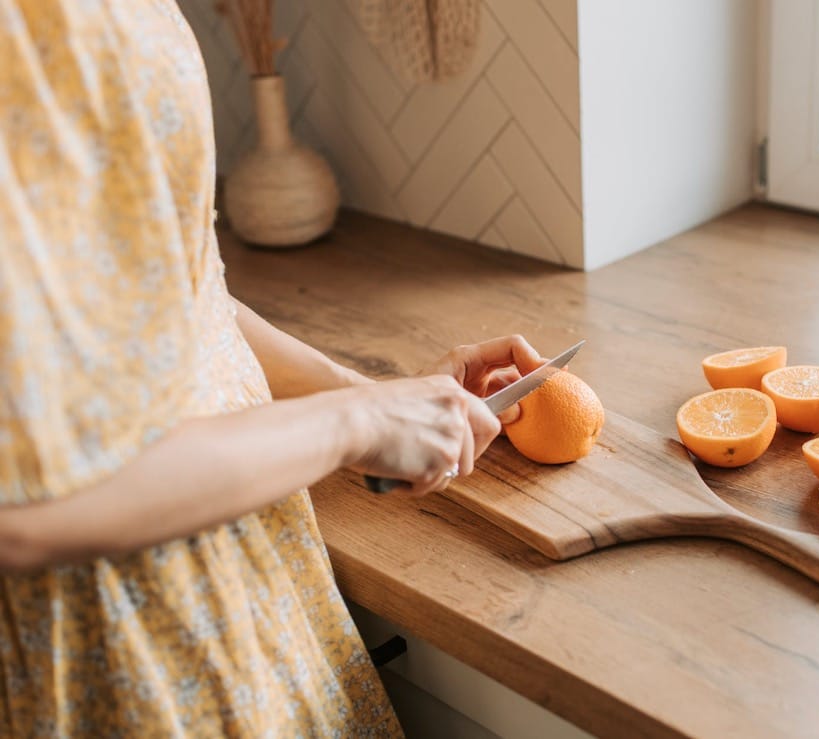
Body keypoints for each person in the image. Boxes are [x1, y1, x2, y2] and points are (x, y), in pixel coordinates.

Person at [0, 1, 542, 734]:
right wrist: (353, 423)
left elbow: (188, 304)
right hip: (119, 653)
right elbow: (24, 513)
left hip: (245, 587)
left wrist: (371, 397)